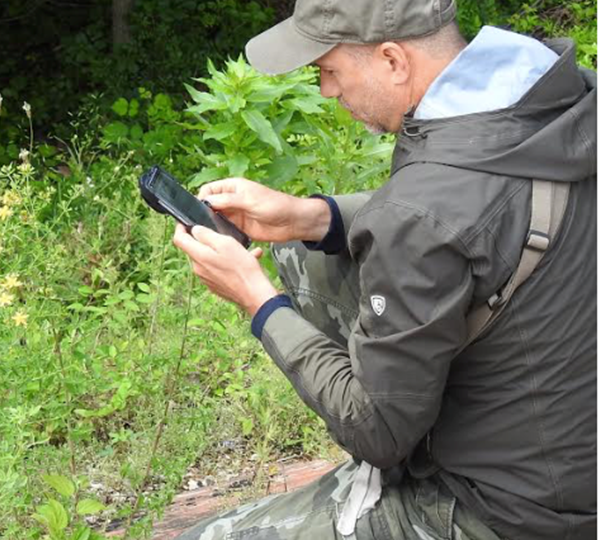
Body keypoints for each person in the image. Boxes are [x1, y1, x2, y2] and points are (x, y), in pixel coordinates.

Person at [172, 0, 597, 538]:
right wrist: (312, 215)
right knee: (306, 253)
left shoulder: (422, 207)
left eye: (330, 70)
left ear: (393, 60)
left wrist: (257, 300)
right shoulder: (556, 101)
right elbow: (481, 202)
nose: (327, 90)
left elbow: (378, 432)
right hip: (576, 447)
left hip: (516, 514)